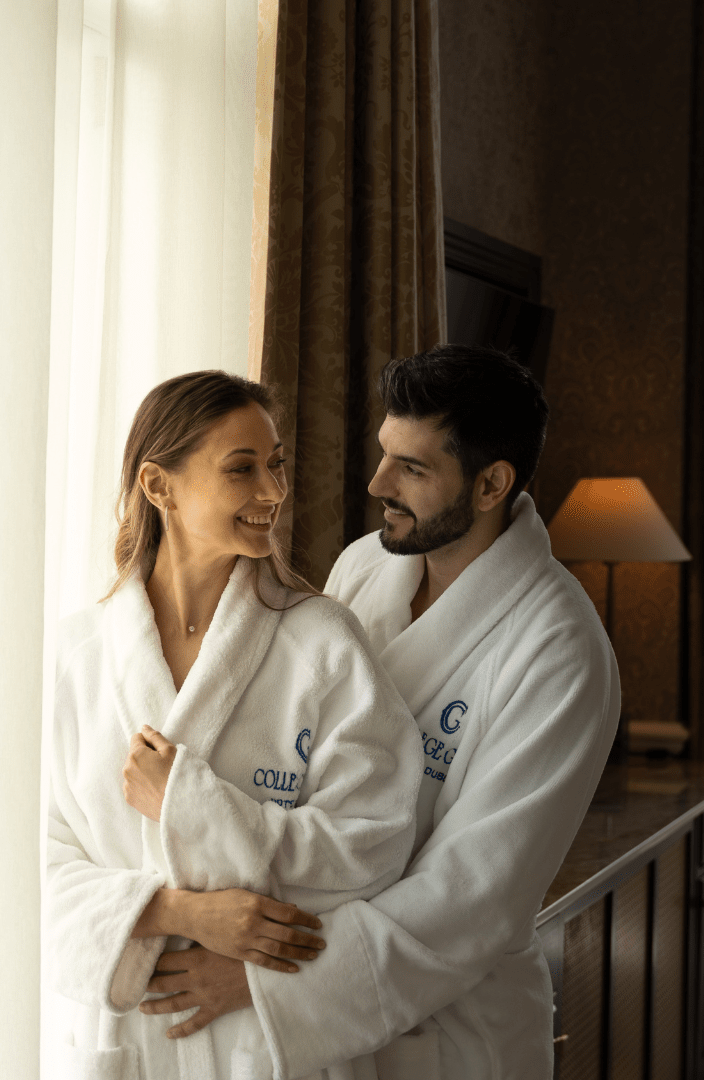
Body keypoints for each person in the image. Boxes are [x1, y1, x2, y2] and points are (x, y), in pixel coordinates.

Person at [140, 345, 622, 1078]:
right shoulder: (366, 564)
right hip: (318, 1015)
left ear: (492, 483)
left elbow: (472, 898)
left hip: (451, 1033)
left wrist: (261, 977)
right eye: (383, 455)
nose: (377, 484)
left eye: (413, 469)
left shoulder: (560, 649)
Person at [44, 371, 425, 1080]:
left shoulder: (323, 643)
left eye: (276, 464)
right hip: (131, 1039)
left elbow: (374, 842)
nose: (273, 493)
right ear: (159, 486)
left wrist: (189, 805)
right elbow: (35, 866)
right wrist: (177, 914)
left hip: (264, 1036)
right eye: (242, 469)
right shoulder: (76, 656)